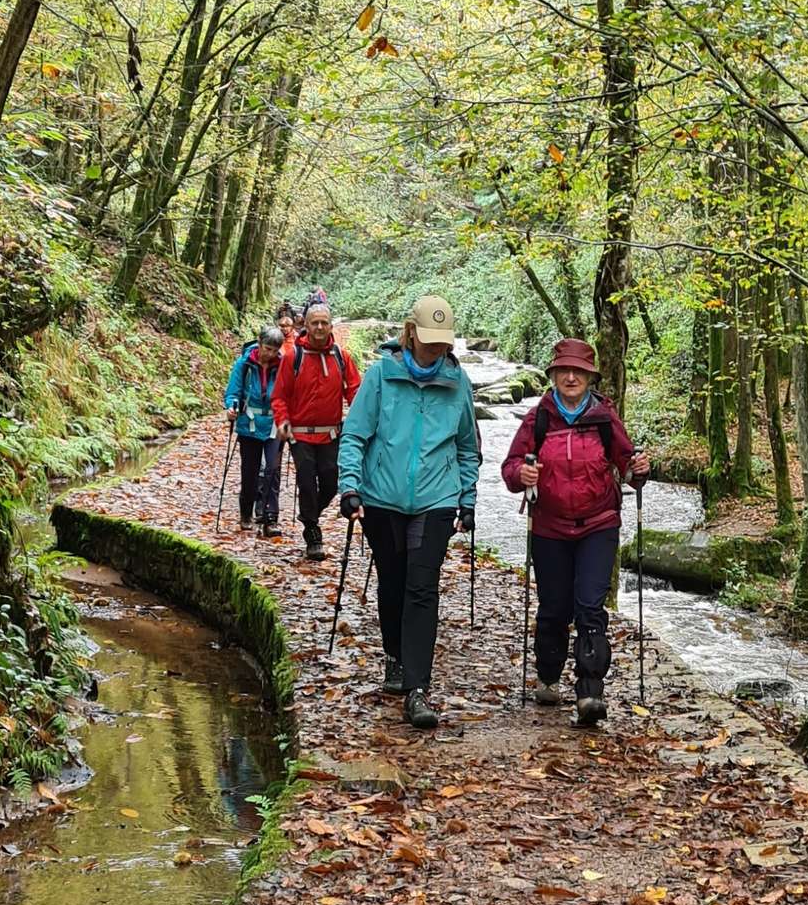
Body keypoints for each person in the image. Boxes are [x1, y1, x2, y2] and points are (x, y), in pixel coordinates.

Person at [337, 293, 481, 731]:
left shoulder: (458, 382)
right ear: (411, 332)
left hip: (437, 500)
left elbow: (467, 446)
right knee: (393, 582)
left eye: (444, 340)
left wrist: (467, 498)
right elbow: (355, 435)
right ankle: (395, 656)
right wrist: (350, 486)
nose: (438, 347)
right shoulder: (381, 375)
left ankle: (418, 688)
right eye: (430, 338)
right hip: (382, 498)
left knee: (422, 587)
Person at [500, 336, 648, 727]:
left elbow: (628, 466)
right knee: (554, 608)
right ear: (552, 375)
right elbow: (510, 468)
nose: (570, 377)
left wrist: (639, 470)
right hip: (550, 527)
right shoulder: (539, 418)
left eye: (578, 371)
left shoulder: (604, 418)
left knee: (590, 607)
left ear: (590, 377)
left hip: (598, 524)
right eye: (563, 370)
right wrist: (521, 474)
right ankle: (548, 676)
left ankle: (590, 692)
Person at [274, 299, 360, 560]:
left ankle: (308, 514)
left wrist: (362, 420)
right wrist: (282, 420)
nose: (320, 327)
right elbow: (280, 395)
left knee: (331, 482)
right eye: (315, 323)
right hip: (300, 434)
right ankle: (312, 532)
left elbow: (355, 390)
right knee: (307, 482)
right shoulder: (293, 356)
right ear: (307, 326)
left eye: (324, 323)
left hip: (331, 433)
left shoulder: (341, 357)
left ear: (331, 325)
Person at [223, 326, 285, 534]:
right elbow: (233, 392)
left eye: (274, 350)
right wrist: (232, 407)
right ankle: (246, 512)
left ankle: (269, 517)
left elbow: (289, 392)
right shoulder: (244, 364)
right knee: (250, 471)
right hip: (248, 424)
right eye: (267, 348)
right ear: (259, 343)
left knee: (272, 469)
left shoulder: (282, 365)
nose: (270, 354)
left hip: (274, 423)